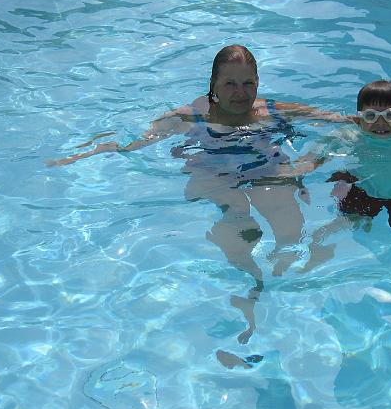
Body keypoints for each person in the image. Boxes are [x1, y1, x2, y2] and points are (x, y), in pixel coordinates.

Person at [47, 45, 346, 349]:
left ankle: (282, 281)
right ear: (213, 85)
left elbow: (333, 119)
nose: (240, 93)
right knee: (240, 220)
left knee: (290, 225)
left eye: (248, 83)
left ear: (258, 83)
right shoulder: (190, 117)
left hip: (262, 167)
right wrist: (82, 153)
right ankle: (250, 282)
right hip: (213, 171)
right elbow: (130, 141)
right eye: (230, 84)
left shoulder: (270, 111)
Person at [289, 79, 391, 263]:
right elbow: (320, 149)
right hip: (365, 187)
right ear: (358, 120)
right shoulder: (349, 136)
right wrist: (308, 165)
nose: (381, 122)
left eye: (390, 115)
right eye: (371, 116)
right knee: (350, 221)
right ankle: (361, 217)